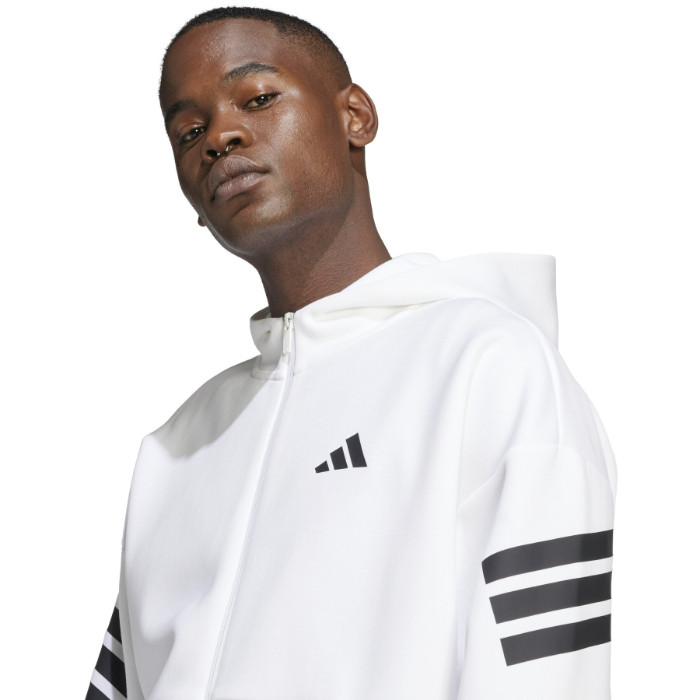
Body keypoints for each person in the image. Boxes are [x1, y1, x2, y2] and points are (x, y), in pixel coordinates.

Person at [86, 6, 617, 700]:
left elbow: (546, 680)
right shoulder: (174, 451)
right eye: (189, 131)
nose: (219, 137)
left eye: (257, 98)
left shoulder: (487, 369)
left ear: (355, 117)